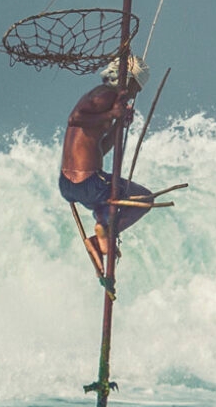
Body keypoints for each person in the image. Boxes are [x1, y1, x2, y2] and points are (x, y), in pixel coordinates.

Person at [59, 55, 155, 271]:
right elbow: (74, 119)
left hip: (70, 185)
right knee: (145, 198)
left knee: (107, 201)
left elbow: (101, 148)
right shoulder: (106, 94)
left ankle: (100, 235)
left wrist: (118, 125)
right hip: (89, 180)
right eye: (135, 89)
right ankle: (105, 230)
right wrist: (112, 113)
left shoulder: (101, 99)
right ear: (128, 80)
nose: (134, 95)